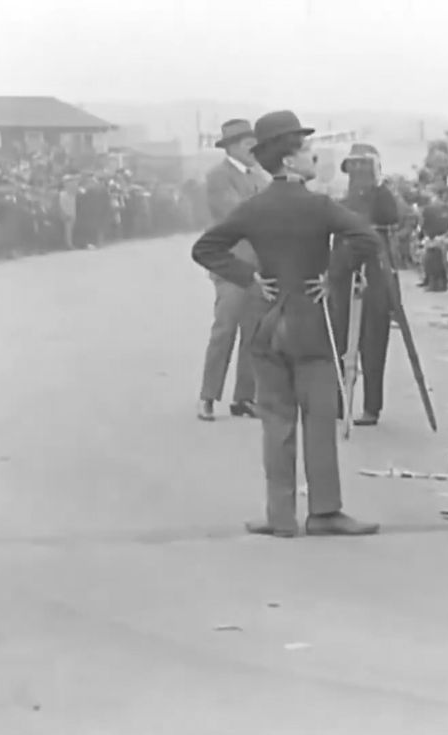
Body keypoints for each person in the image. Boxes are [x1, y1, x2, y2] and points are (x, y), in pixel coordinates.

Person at [191, 110, 382, 538]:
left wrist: (249, 278)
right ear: (291, 160)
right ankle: (324, 511)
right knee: (318, 418)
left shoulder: (254, 208)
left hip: (266, 322)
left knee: (276, 420)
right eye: (308, 151)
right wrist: (333, 274)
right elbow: (366, 237)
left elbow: (206, 248)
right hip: (311, 323)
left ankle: (280, 516)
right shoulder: (319, 206)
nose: (315, 158)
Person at [196, 119, 270, 422]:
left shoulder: (260, 177)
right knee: (224, 330)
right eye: (249, 146)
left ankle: (244, 397)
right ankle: (208, 396)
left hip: (259, 266)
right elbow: (235, 214)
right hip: (230, 265)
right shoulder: (218, 177)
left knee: (254, 332)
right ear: (232, 147)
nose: (255, 151)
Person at [330, 142, 400, 427]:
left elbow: (392, 216)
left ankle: (372, 407)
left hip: (375, 275)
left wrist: (379, 183)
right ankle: (337, 402)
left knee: (373, 344)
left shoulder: (383, 197)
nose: (358, 171)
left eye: (363, 165)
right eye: (353, 166)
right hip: (342, 275)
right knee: (338, 341)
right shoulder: (342, 202)